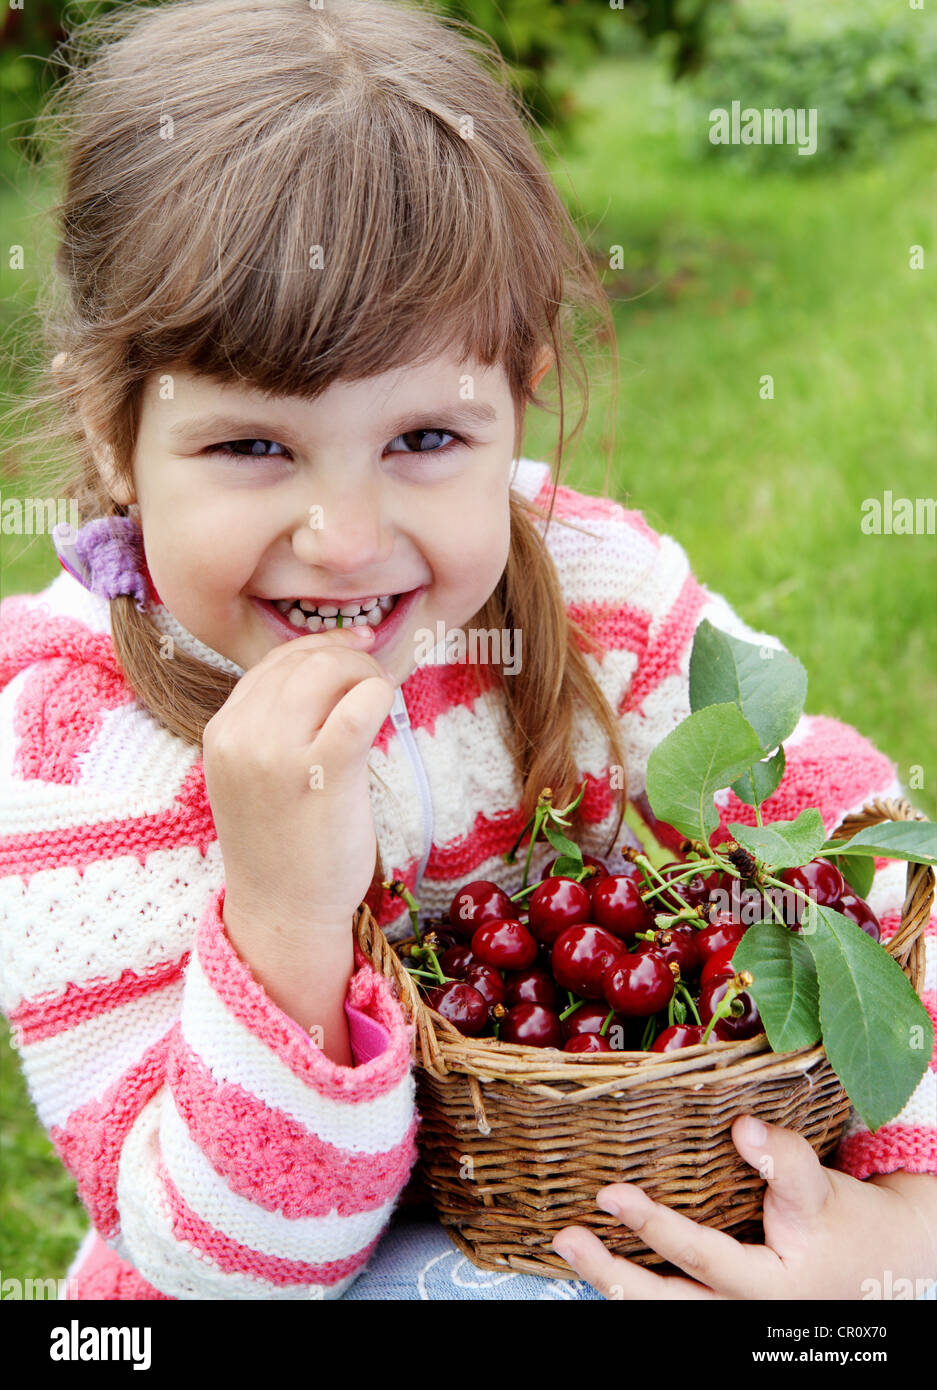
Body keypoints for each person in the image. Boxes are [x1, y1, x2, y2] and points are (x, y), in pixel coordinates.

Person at [0, 0, 933, 1302]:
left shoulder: (606, 603)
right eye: (251, 446)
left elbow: (864, 878)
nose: (342, 538)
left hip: (596, 1219)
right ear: (111, 433)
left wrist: (904, 1211)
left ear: (519, 394)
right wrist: (281, 913)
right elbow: (234, 1267)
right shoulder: (79, 745)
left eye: (425, 440)